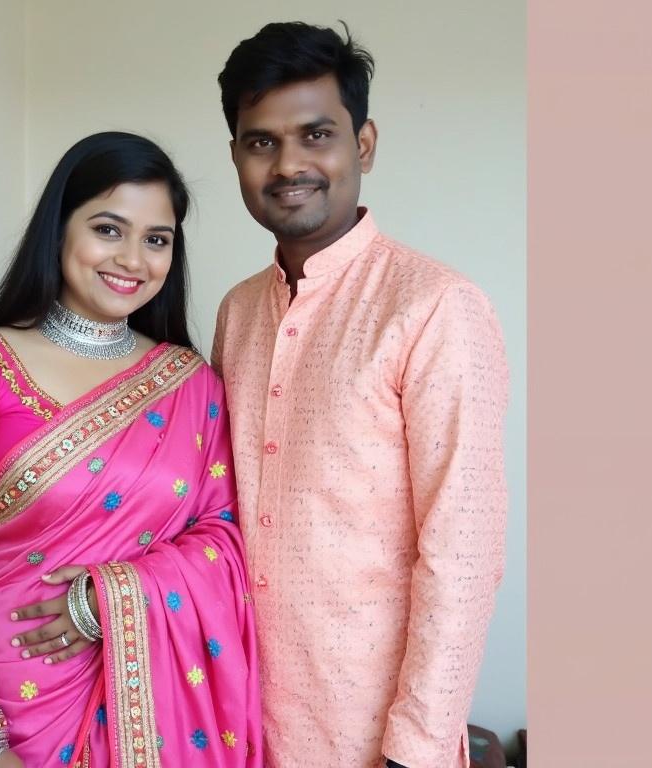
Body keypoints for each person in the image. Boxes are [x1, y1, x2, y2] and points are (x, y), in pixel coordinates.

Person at [0, 132, 261, 767]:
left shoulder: (194, 385)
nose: (132, 259)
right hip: (12, 706)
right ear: (58, 229)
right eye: (108, 229)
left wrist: (112, 597)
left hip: (158, 705)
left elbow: (227, 538)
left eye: (157, 239)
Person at [211, 22, 510, 768]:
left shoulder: (435, 305)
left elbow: (462, 549)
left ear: (364, 144)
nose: (289, 165)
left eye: (317, 134)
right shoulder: (238, 311)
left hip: (371, 739)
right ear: (237, 157)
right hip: (241, 720)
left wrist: (414, 748)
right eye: (260, 142)